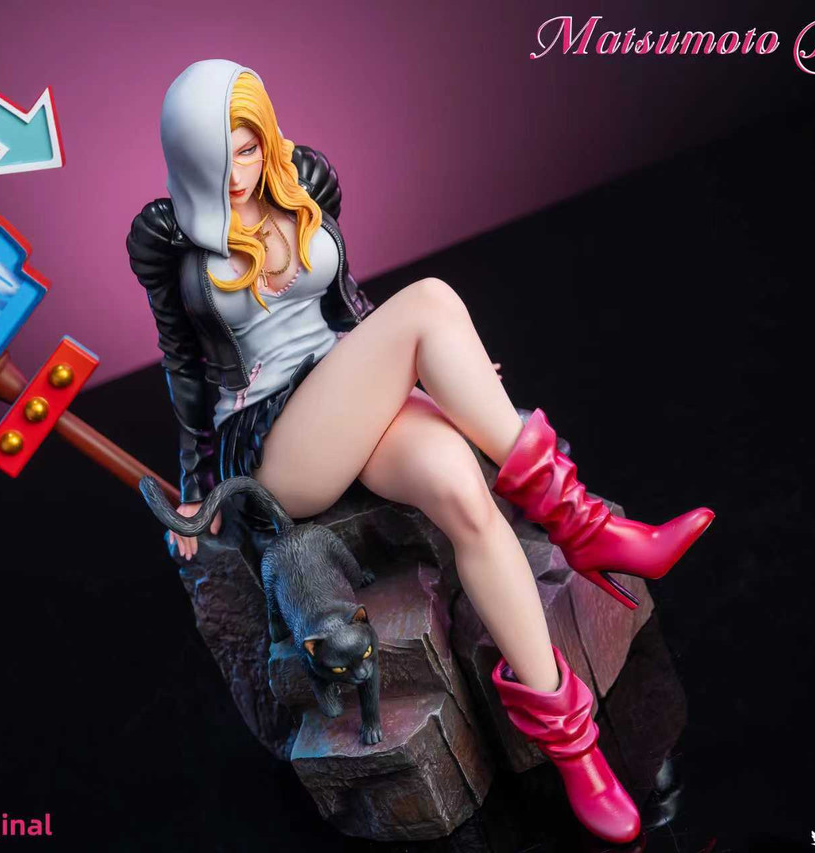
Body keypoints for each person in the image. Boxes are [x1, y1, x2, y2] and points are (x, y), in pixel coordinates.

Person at [127, 58, 714, 844]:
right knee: (432, 302)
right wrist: (196, 484)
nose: (236, 173)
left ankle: (574, 748)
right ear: (183, 157)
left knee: (463, 493)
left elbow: (348, 307)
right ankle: (586, 527)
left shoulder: (301, 182)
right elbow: (184, 370)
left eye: (246, 148)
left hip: (350, 399)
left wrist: (439, 376)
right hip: (275, 444)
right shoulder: (173, 243)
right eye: (215, 156)